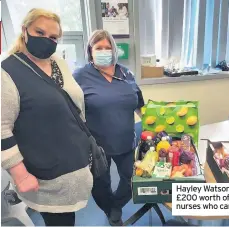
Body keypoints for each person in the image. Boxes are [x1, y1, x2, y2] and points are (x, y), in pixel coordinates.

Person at [1, 8, 93, 226]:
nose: (47, 40)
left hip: (75, 166)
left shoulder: (58, 63)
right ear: (25, 31)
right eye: (39, 32)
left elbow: (73, 103)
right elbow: (2, 128)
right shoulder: (8, 71)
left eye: (53, 37)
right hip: (46, 175)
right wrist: (21, 175)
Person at [73, 30, 144, 226]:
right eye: (99, 48)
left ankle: (116, 205)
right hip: (97, 146)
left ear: (114, 50)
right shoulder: (80, 76)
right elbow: (70, 111)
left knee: (132, 179)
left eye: (108, 47)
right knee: (100, 185)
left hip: (126, 140)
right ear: (90, 51)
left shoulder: (126, 73)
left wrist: (155, 123)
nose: (104, 51)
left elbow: (140, 103)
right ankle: (109, 209)